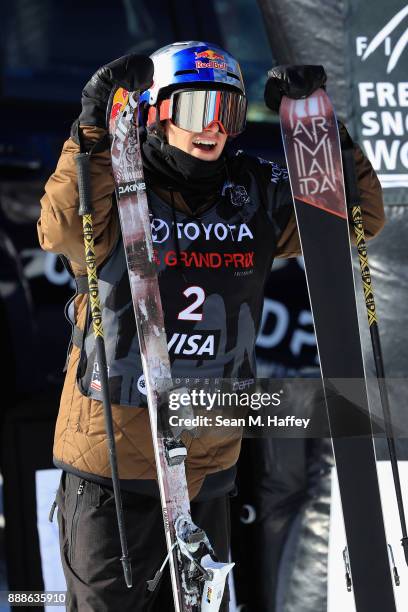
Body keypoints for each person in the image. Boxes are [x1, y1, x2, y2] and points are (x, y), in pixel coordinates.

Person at [38, 41, 384, 611]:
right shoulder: (120, 183)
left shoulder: (254, 190)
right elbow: (62, 230)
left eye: (229, 112)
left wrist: (321, 133)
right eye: (197, 109)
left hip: (206, 460)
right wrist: (92, 130)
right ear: (157, 112)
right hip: (114, 465)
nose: (214, 128)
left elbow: (356, 217)